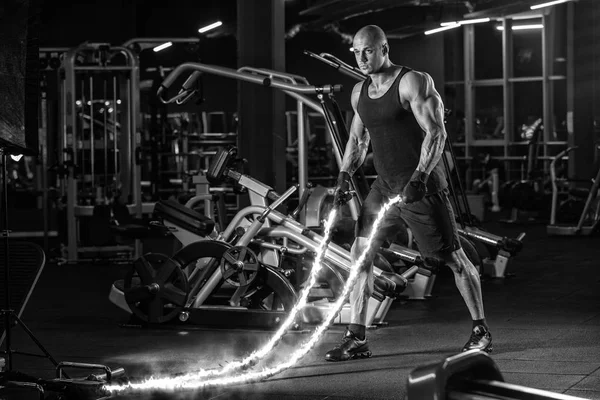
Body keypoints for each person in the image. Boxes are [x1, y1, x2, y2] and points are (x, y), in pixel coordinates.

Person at [324, 25, 492, 362]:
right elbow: (357, 141)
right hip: (383, 187)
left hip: (421, 189)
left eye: (367, 51)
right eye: (355, 53)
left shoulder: (413, 82)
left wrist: (419, 176)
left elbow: (435, 133)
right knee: (361, 255)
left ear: (384, 48)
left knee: (453, 259)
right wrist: (344, 174)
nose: (360, 58)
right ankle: (357, 337)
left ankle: (480, 329)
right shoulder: (359, 93)